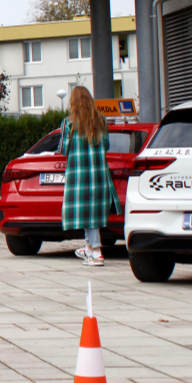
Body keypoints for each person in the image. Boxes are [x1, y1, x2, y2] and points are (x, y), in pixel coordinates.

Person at [61, 86, 120, 268]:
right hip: (99, 174)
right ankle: (88, 248)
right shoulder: (101, 121)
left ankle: (96, 250)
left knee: (86, 213)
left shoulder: (69, 123)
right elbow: (107, 145)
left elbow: (63, 150)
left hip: (79, 176)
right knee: (92, 212)